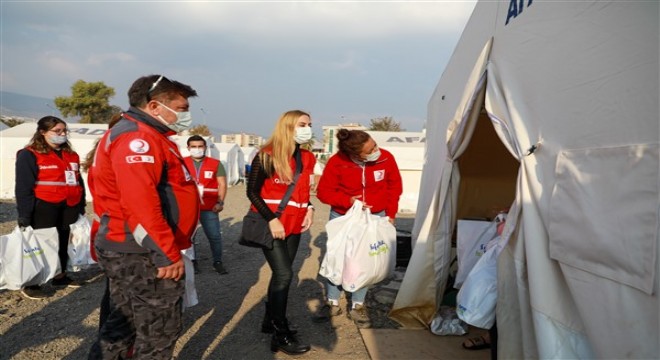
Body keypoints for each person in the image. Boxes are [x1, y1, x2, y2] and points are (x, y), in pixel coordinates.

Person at [88, 74, 200, 359]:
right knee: (158, 332)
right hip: (140, 253)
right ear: (153, 106)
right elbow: (141, 204)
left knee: (122, 325)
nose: (185, 114)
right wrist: (166, 253)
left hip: (131, 249)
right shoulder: (138, 138)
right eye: (182, 108)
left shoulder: (144, 134)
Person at [314, 129, 402, 328]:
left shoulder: (386, 158)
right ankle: (332, 302)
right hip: (343, 215)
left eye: (375, 145)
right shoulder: (338, 162)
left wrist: (391, 214)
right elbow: (324, 192)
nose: (377, 150)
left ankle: (358, 305)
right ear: (355, 154)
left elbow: (393, 187)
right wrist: (348, 201)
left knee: (365, 260)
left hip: (375, 216)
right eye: (371, 149)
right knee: (338, 257)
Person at [246, 109, 315, 355]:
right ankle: (280, 331)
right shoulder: (266, 155)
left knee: (280, 274)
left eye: (309, 124)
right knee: (285, 274)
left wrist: (310, 208)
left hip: (295, 224)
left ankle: (269, 320)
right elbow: (252, 191)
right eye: (302, 124)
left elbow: (305, 190)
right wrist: (271, 219)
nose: (308, 128)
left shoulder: (307, 157)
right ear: (287, 127)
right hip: (272, 225)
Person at [15, 116, 86, 300]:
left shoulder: (71, 154)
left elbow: (78, 180)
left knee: (63, 241)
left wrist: (81, 204)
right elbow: (23, 187)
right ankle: (32, 281)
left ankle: (59, 275)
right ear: (43, 132)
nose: (62, 135)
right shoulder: (29, 154)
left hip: (68, 205)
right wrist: (24, 214)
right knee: (40, 244)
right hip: (43, 206)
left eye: (64, 131)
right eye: (57, 131)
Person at [183, 135, 228, 274]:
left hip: (209, 206)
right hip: (188, 207)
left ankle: (217, 262)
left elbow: (222, 184)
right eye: (194, 147)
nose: (197, 149)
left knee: (214, 236)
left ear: (205, 147)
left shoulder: (215, 163)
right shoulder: (182, 163)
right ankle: (192, 261)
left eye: (200, 146)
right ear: (188, 148)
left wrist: (220, 202)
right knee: (189, 237)